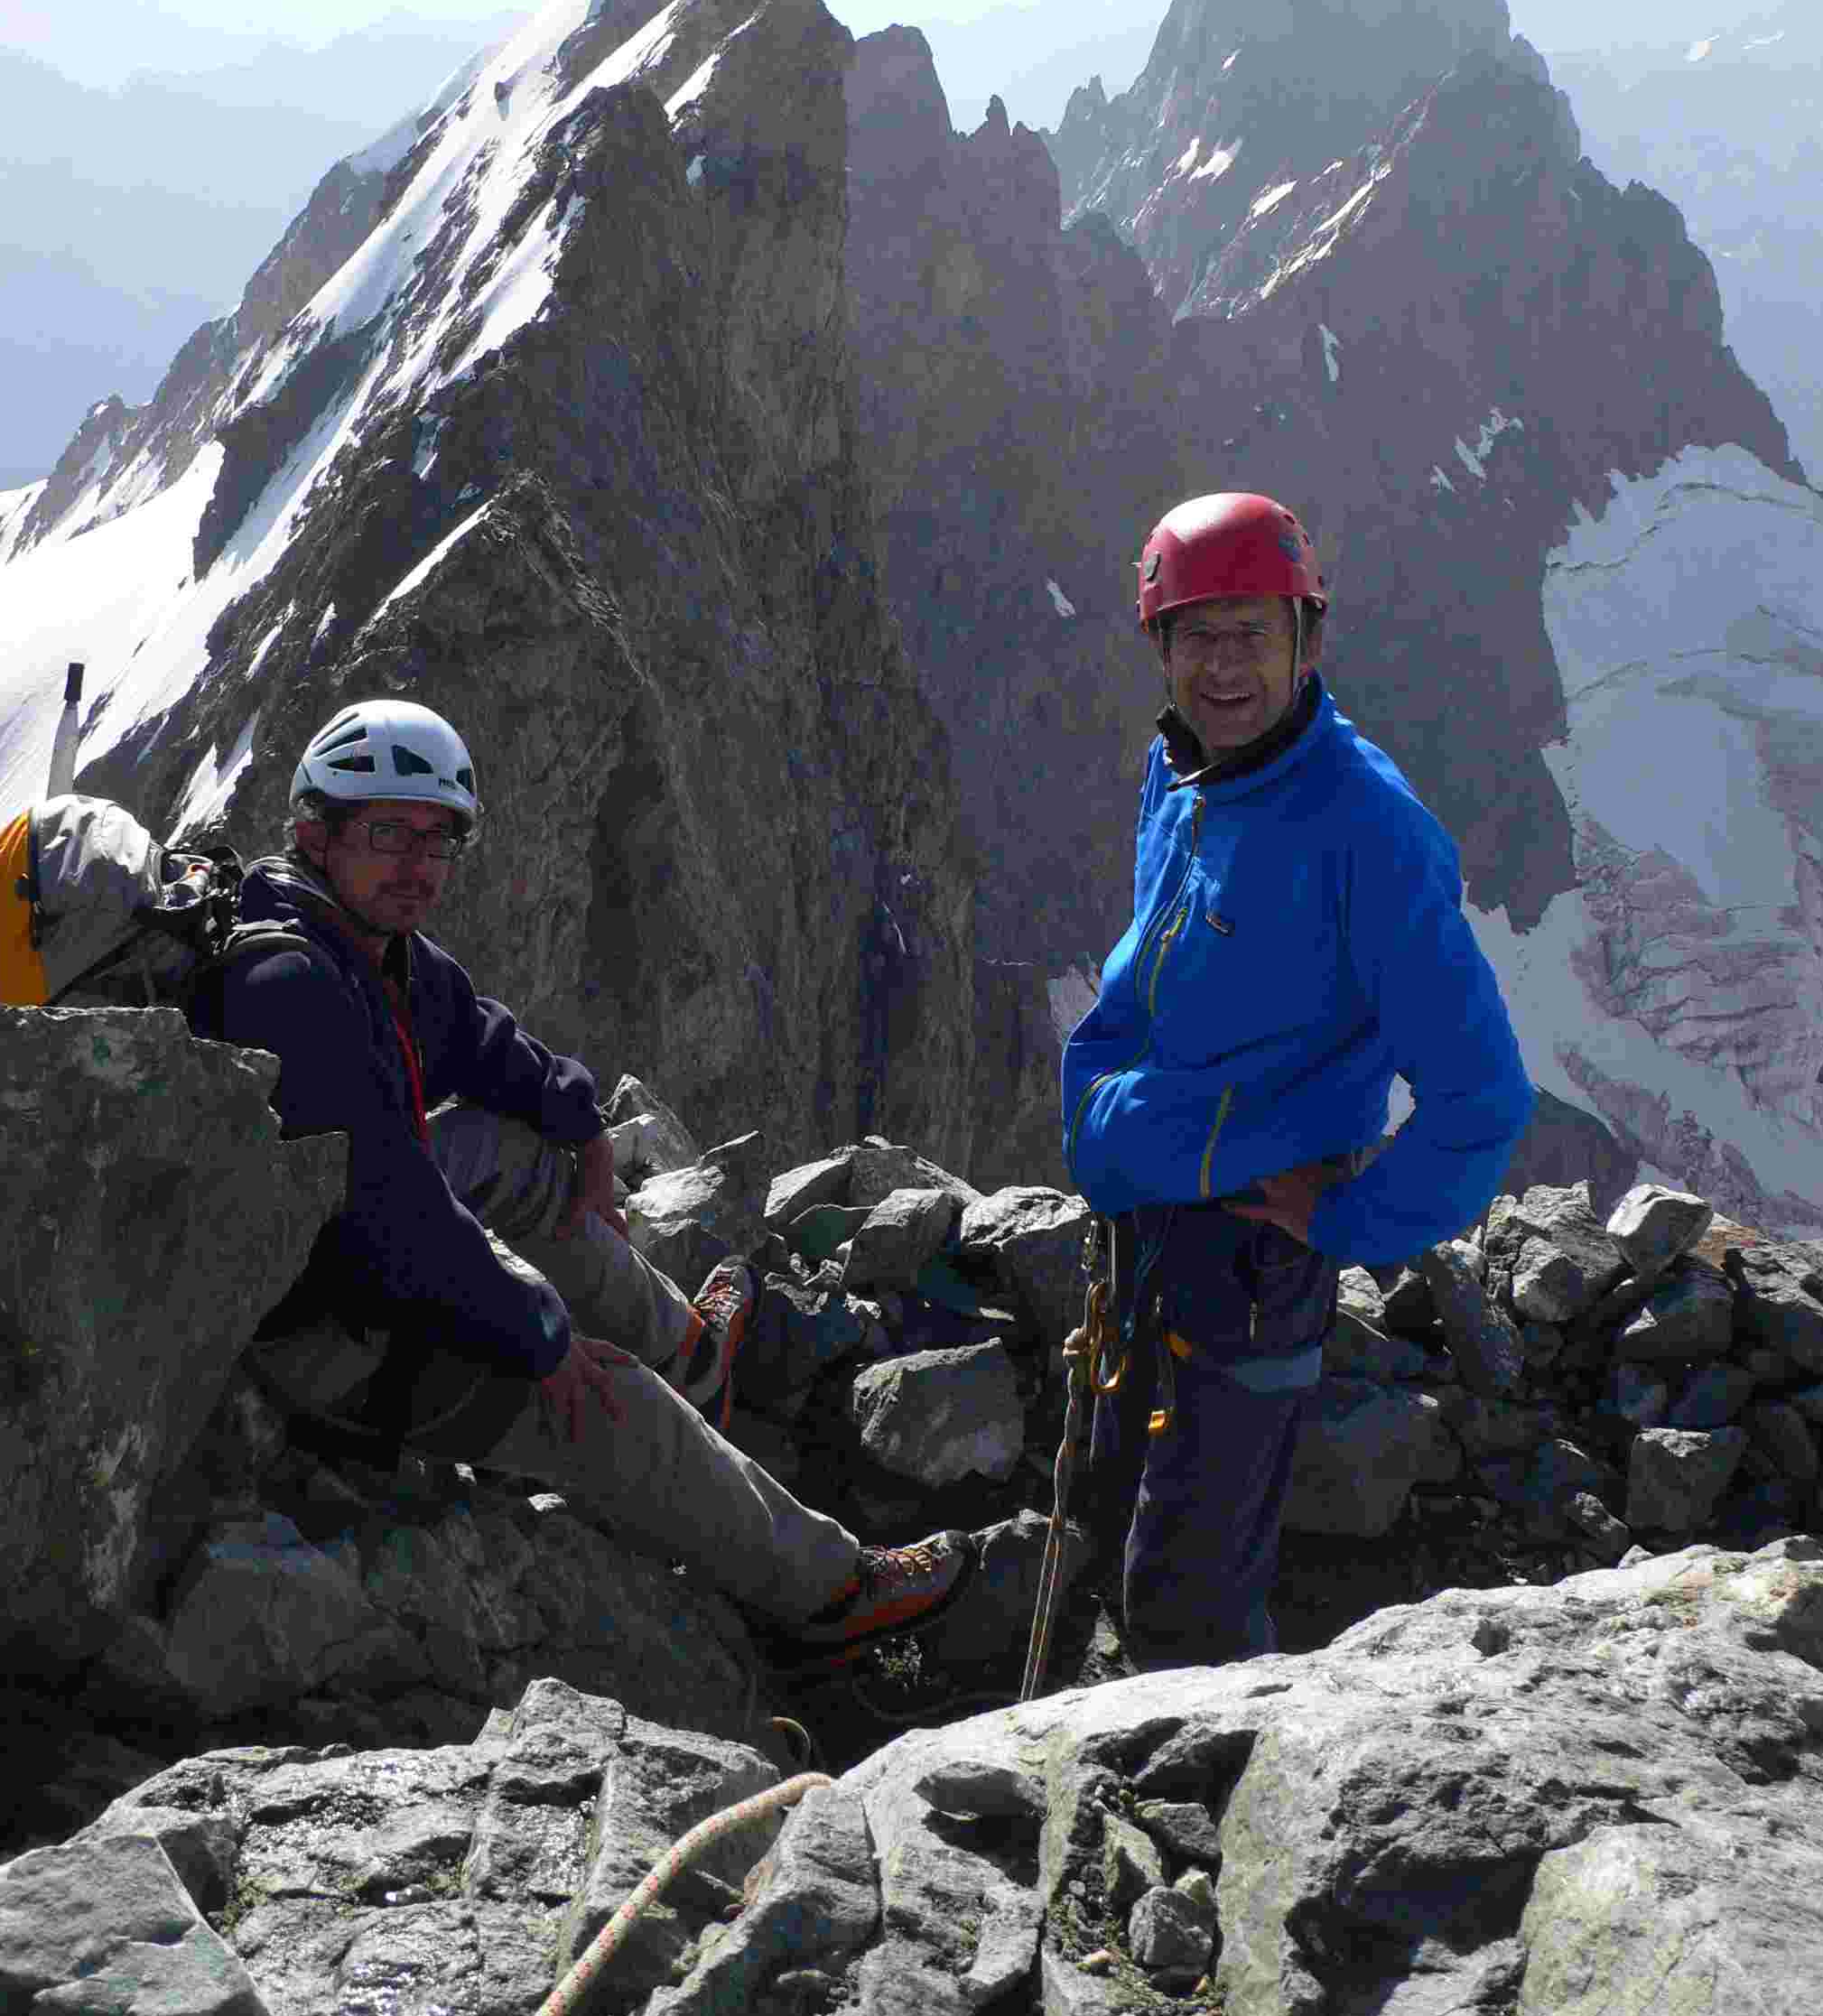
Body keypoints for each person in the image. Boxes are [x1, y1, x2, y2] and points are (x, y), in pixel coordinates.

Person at [201, 697, 974, 1654]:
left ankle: (698, 1363)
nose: (419, 868)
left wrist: (582, 1123)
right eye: (390, 834)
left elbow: (473, 1037)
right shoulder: (292, 987)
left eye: (439, 841)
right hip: (321, 1335)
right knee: (609, 1401)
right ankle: (831, 1593)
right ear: (316, 835)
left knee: (509, 1150)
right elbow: (391, 1217)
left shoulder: (360, 942)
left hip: (345, 1253)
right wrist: (538, 1331)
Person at [1061, 492, 1532, 1671]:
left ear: (1306, 642)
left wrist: (1352, 1220)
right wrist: (1106, 1124)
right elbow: (1150, 976)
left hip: (1254, 1255)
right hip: (1149, 1221)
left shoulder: (1366, 828)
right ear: (1159, 648)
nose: (1225, 667)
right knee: (1111, 1526)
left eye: (1252, 635)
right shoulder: (1182, 775)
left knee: (1189, 1595)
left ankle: (1207, 1819)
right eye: (1198, 636)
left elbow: (1483, 1094)